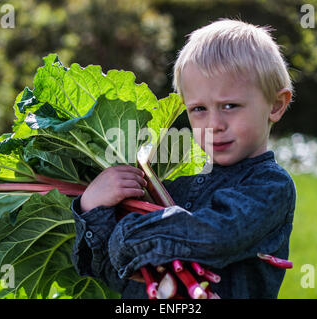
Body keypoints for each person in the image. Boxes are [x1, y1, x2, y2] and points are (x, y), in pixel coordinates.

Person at [71, 18, 296, 298]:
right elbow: (114, 273)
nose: (214, 123)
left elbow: (215, 236)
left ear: (275, 105)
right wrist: (93, 208)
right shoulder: (176, 189)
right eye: (199, 109)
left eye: (230, 106)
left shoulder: (269, 186)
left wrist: (125, 233)